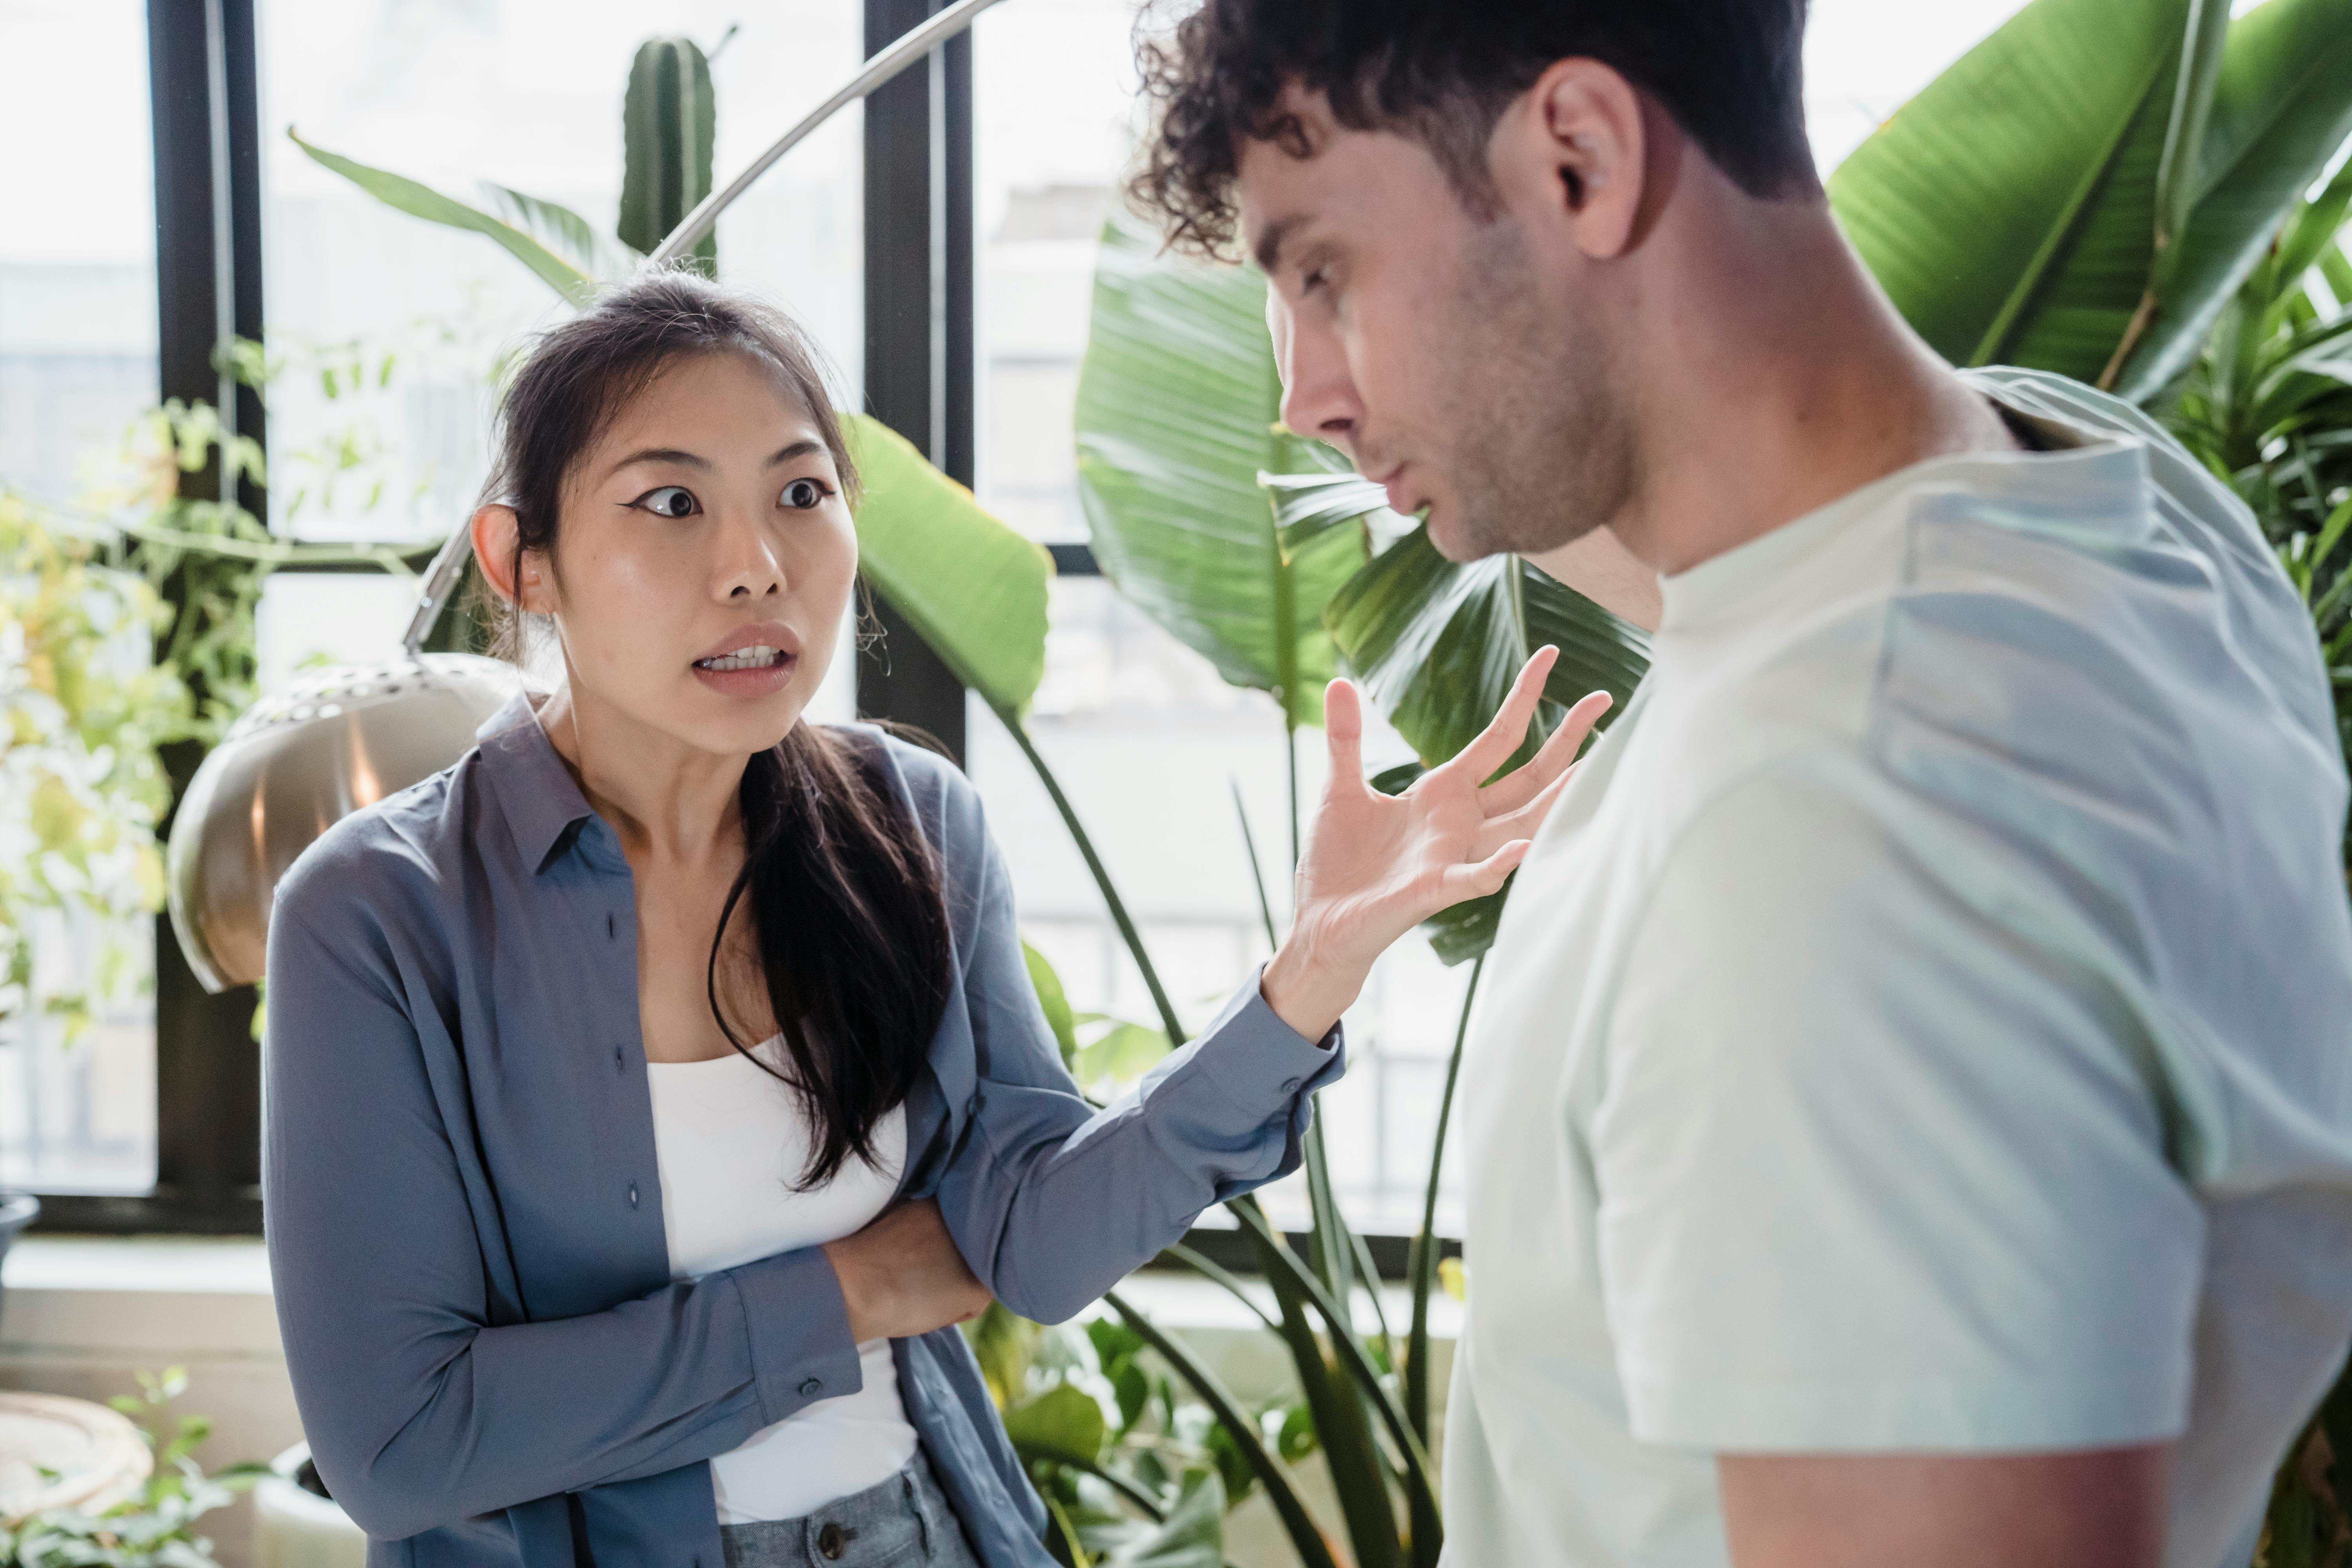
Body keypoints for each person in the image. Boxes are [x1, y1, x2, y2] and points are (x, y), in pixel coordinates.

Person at [1128, 3, 2352, 1567]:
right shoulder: (2105, 499)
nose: (1302, 395)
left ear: (1579, 158)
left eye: (1321, 274)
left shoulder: (1832, 823)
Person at [261, 273, 1604, 1568]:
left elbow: (1034, 1240)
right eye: (670, 503)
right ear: (523, 561)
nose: (754, 567)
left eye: (801, 493)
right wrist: (847, 1290)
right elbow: (405, 1447)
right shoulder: (378, 917)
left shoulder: (913, 821)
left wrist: (1308, 976)